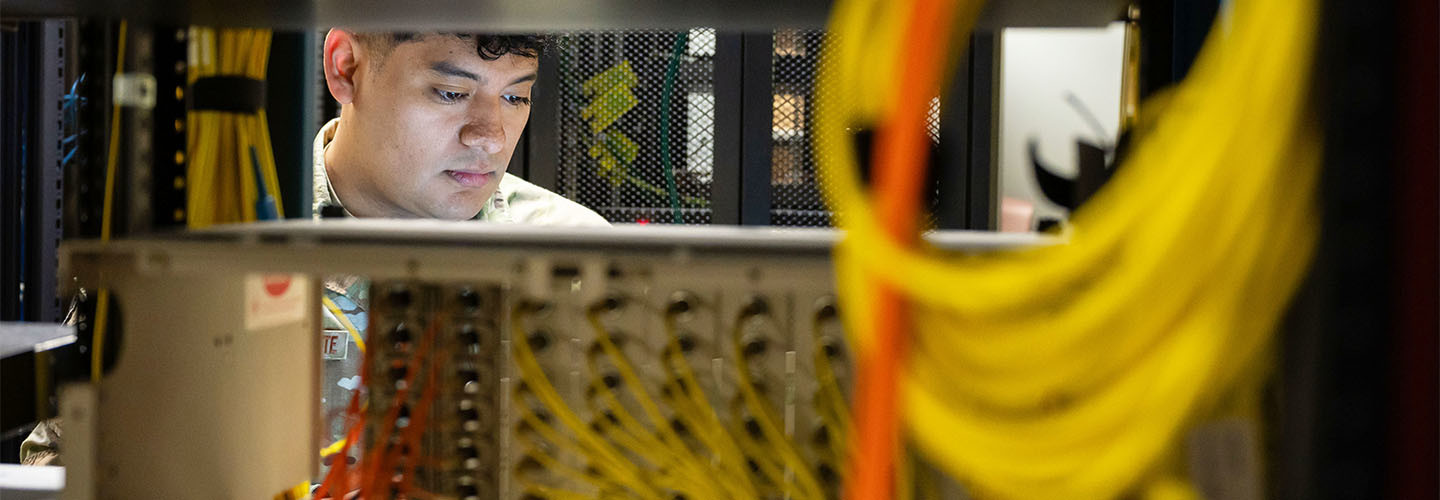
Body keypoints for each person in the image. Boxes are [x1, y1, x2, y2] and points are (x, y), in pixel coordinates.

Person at [312, 30, 607, 459]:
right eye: (451, 93)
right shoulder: (232, 241)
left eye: (516, 97)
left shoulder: (573, 262)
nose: (491, 138)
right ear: (347, 68)